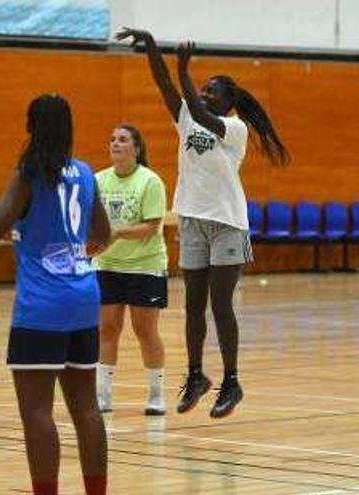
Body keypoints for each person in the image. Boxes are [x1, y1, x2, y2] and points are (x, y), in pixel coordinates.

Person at [0, 94, 111, 495]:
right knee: (86, 408)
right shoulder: (85, 173)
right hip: (84, 299)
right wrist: (74, 259)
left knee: (36, 413)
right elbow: (103, 236)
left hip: (42, 308)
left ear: (32, 127)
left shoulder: (28, 174)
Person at [116, 28, 289, 418]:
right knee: (193, 307)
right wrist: (151, 47)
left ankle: (231, 381)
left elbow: (195, 107)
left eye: (214, 91)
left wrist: (183, 69)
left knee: (220, 305)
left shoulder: (234, 130)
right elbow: (164, 86)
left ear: (228, 103)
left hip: (227, 224)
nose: (206, 94)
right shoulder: (187, 121)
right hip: (192, 221)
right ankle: (196, 376)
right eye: (204, 88)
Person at [93, 124, 169, 416]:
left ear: (136, 149)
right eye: (112, 139)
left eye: (123, 140)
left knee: (145, 330)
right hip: (107, 265)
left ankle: (156, 394)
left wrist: (117, 233)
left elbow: (151, 227)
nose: (115, 144)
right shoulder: (98, 180)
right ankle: (102, 396)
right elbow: (91, 222)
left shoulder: (150, 182)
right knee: (107, 329)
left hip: (145, 266)